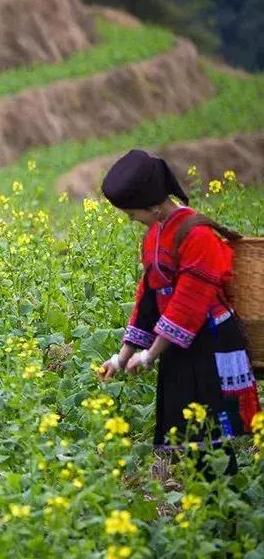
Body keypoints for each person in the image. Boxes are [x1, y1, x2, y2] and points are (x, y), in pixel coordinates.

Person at [99, 150, 260, 474]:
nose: (131, 219)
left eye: (133, 212)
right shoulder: (155, 234)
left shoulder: (197, 235)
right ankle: (207, 506)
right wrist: (123, 355)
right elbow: (149, 297)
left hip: (210, 344)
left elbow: (189, 302)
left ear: (153, 204)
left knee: (213, 437)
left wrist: (150, 355)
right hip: (178, 345)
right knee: (189, 436)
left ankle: (225, 509)